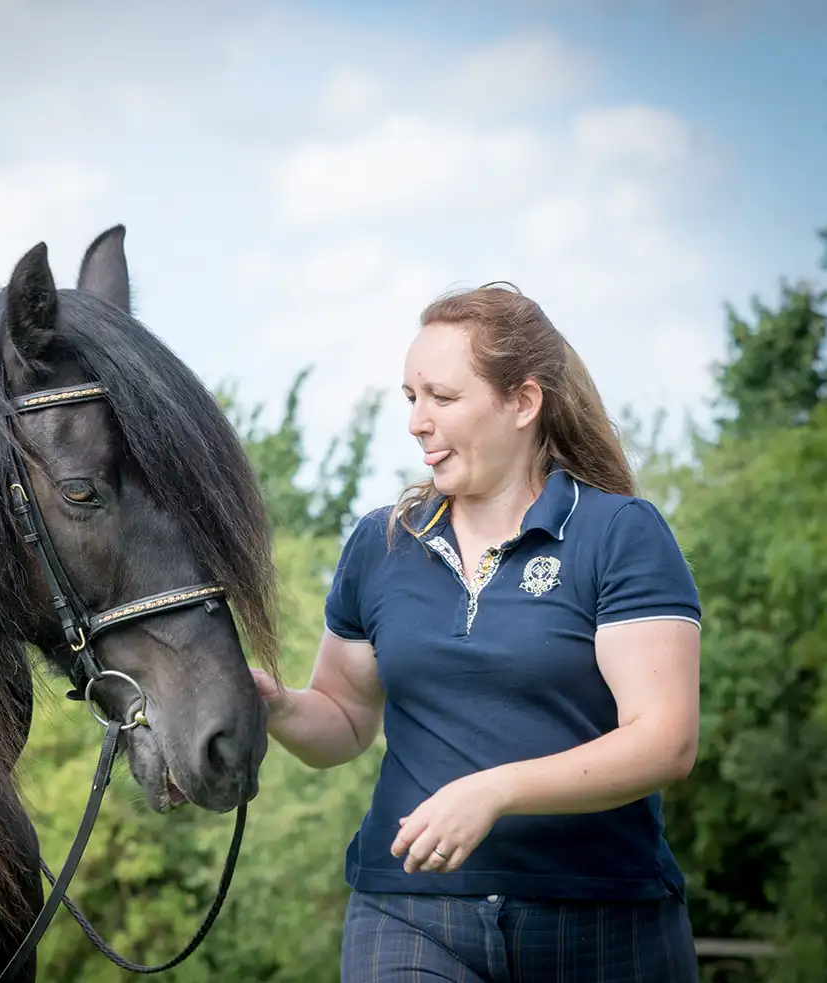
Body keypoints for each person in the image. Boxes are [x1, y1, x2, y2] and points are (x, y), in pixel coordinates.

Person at [252, 283, 702, 982]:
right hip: (408, 909)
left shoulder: (619, 534)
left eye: (442, 396)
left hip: (604, 915)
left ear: (521, 402)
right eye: (409, 397)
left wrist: (492, 790)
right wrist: (276, 704)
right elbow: (341, 720)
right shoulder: (379, 544)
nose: (416, 422)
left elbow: (664, 740)